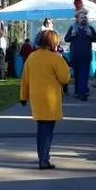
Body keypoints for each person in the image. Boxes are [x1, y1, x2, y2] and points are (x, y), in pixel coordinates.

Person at [20, 30, 71, 170]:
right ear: (53, 43)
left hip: (36, 97)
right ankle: (44, 159)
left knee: (41, 128)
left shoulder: (32, 57)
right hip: (51, 98)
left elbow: (25, 79)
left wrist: (23, 97)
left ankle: (42, 156)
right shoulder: (55, 58)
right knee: (48, 130)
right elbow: (65, 78)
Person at [64, 12, 96, 101]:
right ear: (77, 19)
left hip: (86, 56)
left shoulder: (89, 28)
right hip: (75, 56)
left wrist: (90, 35)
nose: (84, 19)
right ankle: (77, 91)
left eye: (85, 17)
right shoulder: (73, 28)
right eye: (82, 17)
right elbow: (66, 39)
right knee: (77, 75)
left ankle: (82, 93)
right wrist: (72, 35)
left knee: (83, 75)